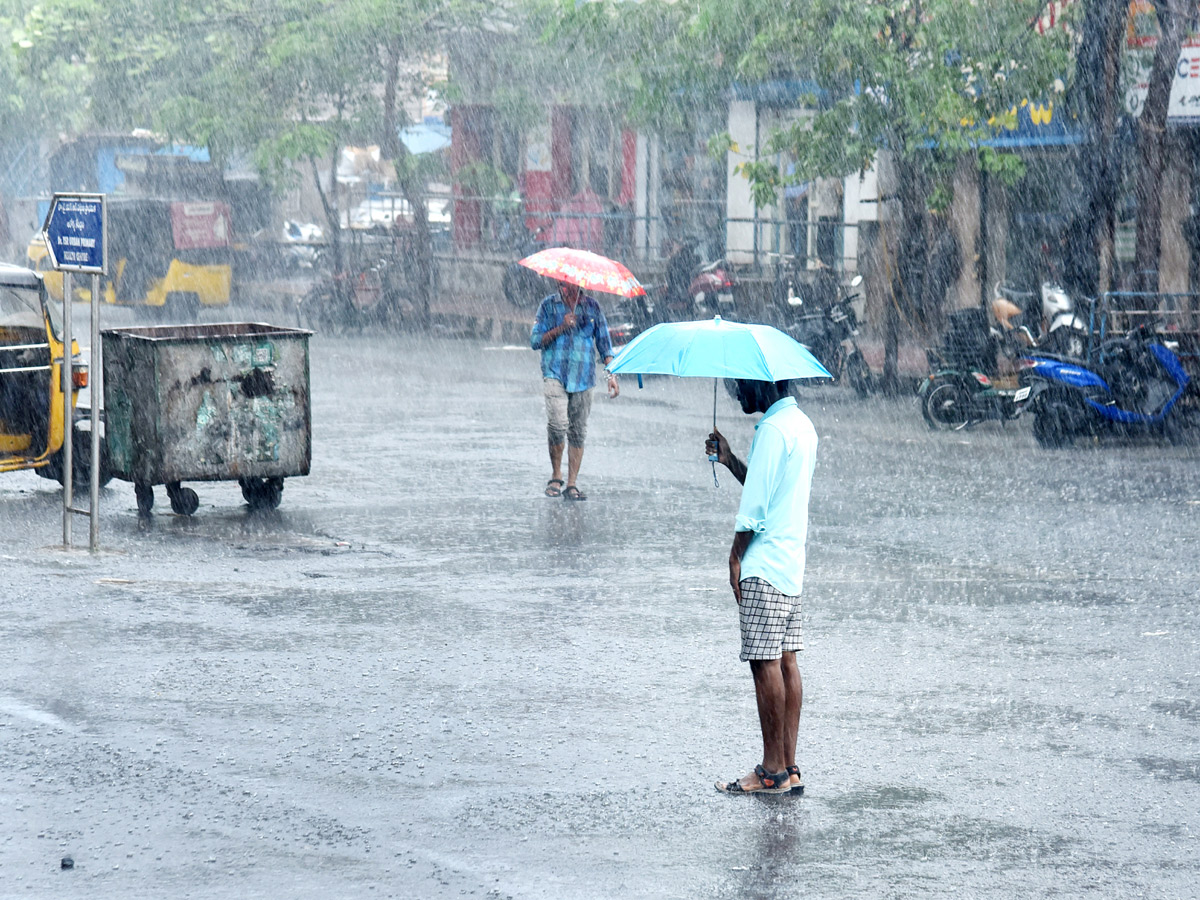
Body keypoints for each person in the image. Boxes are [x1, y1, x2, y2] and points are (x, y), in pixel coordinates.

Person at [705, 379, 818, 795]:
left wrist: (736, 555)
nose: (737, 393)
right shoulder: (801, 425)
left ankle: (770, 772)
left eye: (742, 386)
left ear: (764, 384)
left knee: (764, 663)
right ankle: (788, 767)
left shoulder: (772, 431)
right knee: (786, 662)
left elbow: (754, 510)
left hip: (764, 564)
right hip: (790, 563)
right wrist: (732, 459)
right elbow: (768, 489)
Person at [530, 279, 619, 500]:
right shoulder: (548, 306)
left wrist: (612, 375)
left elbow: (604, 344)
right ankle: (556, 475)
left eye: (570, 284)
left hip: (583, 377)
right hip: (555, 373)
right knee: (558, 425)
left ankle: (571, 484)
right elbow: (535, 340)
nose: (565, 287)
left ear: (580, 285)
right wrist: (561, 327)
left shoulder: (593, 308)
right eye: (562, 283)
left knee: (578, 431)